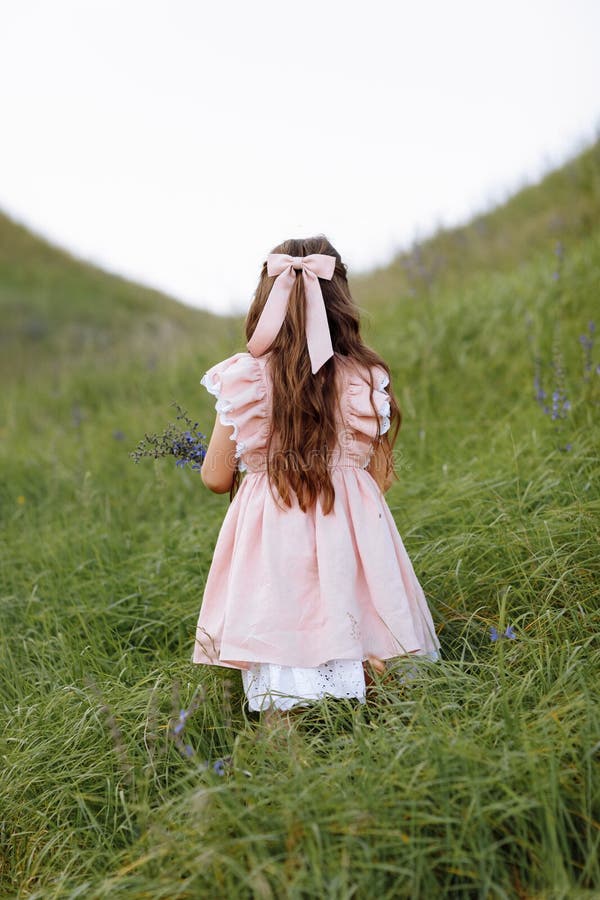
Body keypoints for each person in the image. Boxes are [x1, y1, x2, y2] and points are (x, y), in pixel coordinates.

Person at [191, 235, 440, 714]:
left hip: (272, 541)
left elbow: (215, 477)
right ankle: (388, 752)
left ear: (267, 301)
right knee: (372, 637)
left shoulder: (245, 378)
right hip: (353, 538)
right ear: (341, 301)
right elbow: (382, 476)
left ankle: (287, 763)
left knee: (279, 647)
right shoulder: (365, 378)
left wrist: (260, 466)